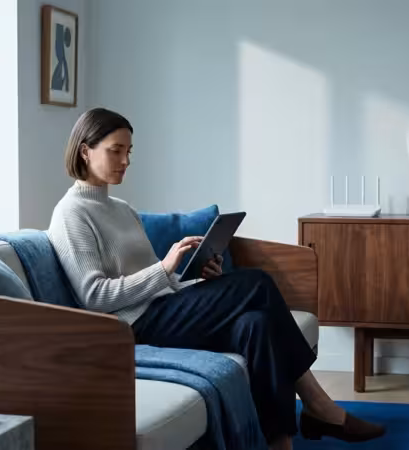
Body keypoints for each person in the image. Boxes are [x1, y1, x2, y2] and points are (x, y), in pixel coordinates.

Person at [48, 107, 386, 449]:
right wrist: (165, 268)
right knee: (257, 283)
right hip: (132, 326)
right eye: (116, 150)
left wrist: (198, 279)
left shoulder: (122, 209)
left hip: (163, 307)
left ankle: (279, 443)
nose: (125, 160)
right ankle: (319, 407)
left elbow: (159, 282)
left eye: (129, 151)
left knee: (258, 324)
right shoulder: (70, 214)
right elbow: (94, 296)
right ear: (84, 150)